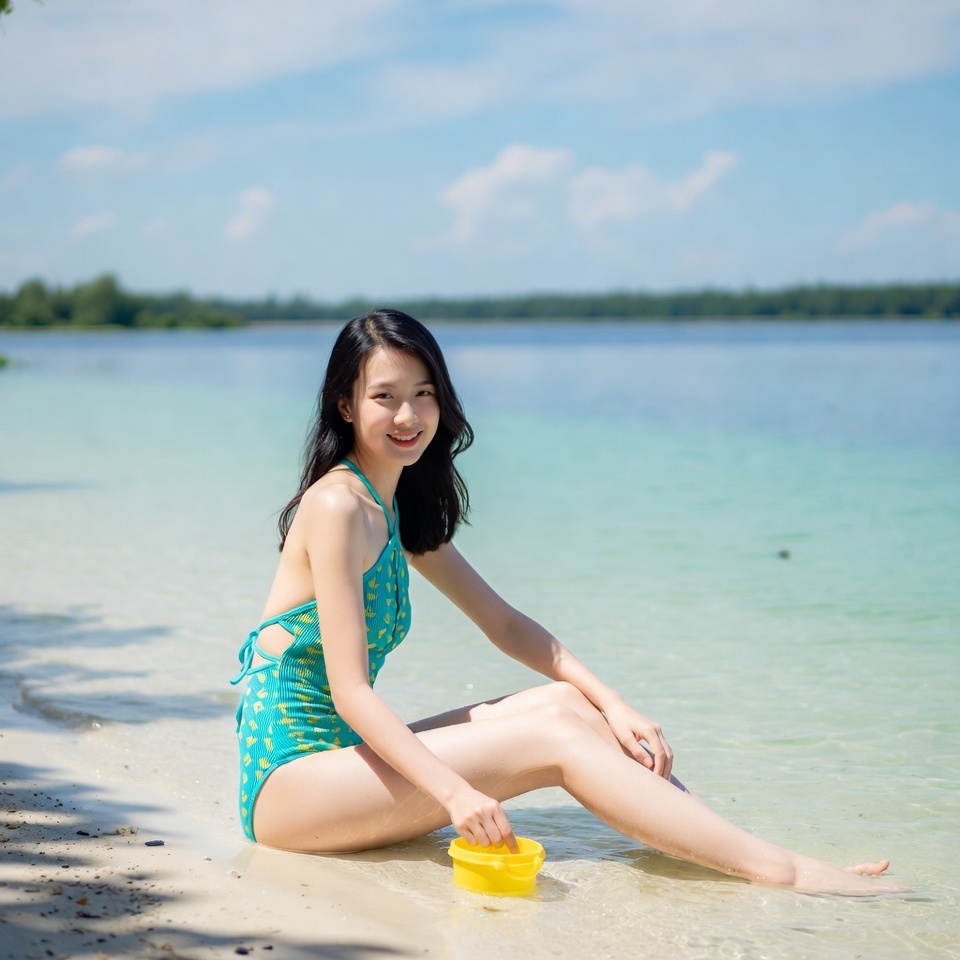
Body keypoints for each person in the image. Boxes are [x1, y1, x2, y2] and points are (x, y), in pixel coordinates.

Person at [231, 308, 902, 896]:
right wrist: (455, 792)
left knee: (565, 705)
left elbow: (504, 623)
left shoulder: (392, 504)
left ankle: (732, 850)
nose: (408, 416)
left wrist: (613, 702)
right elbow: (350, 693)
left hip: (339, 765)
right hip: (289, 788)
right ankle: (784, 874)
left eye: (423, 393)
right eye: (385, 396)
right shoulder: (337, 505)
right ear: (345, 405)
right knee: (551, 739)